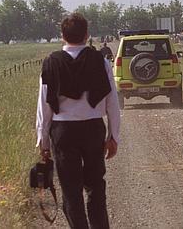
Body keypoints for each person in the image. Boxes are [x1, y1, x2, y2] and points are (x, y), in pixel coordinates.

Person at [36, 13, 121, 229]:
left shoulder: (50, 63)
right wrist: (113, 136)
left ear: (62, 35)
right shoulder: (99, 61)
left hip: (62, 131)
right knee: (96, 187)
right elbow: (112, 101)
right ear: (86, 34)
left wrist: (43, 141)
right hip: (93, 128)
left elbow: (44, 107)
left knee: (70, 191)